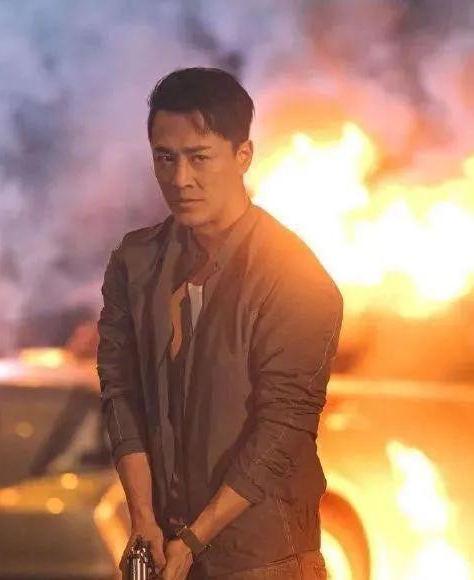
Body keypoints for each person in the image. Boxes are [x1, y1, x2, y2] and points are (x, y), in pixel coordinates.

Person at [97, 67, 343, 580]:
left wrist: (194, 538)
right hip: (166, 550)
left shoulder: (293, 275)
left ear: (243, 156)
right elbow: (120, 392)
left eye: (199, 158)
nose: (179, 179)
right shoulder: (135, 263)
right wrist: (143, 520)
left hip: (264, 561)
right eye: (165, 158)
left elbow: (283, 429)